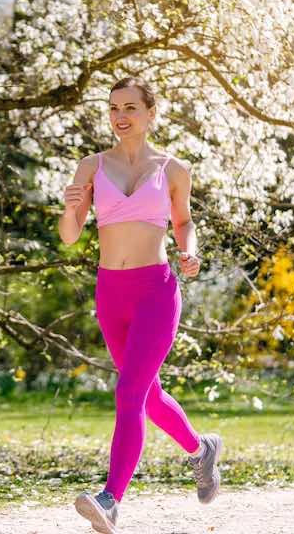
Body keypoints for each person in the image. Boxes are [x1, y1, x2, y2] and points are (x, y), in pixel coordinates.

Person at [59, 77, 223, 533]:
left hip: (156, 290)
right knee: (146, 395)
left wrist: (189, 250)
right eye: (113, 108)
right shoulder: (90, 167)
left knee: (130, 393)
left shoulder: (173, 169)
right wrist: (71, 208)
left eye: (130, 107)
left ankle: (110, 499)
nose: (119, 116)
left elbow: (184, 221)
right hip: (111, 292)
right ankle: (201, 450)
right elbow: (70, 236)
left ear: (151, 113)